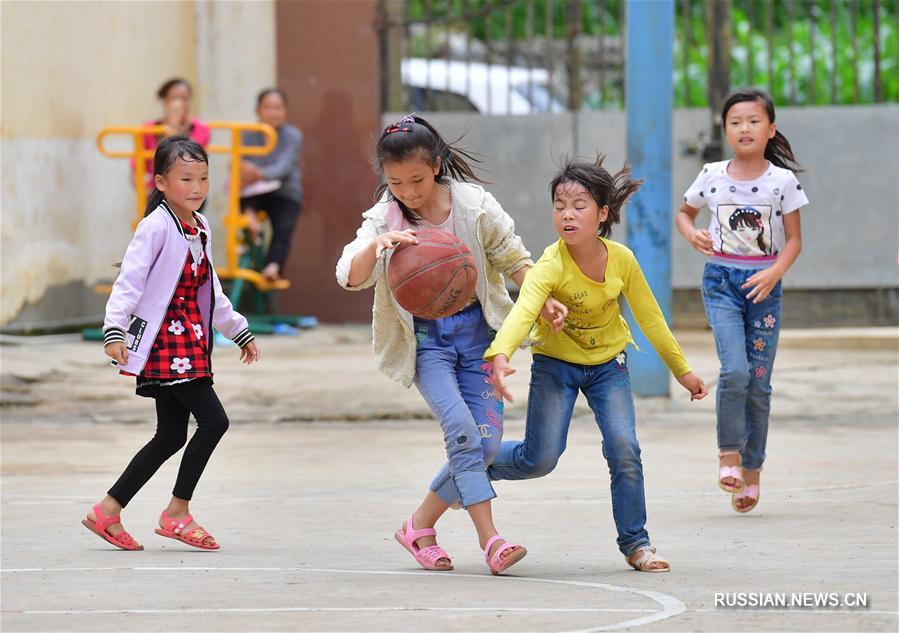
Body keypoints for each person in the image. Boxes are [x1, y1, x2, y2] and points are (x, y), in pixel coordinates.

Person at [335, 115, 566, 575]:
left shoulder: (473, 206)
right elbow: (349, 277)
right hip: (427, 346)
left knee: (484, 444)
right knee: (462, 431)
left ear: (437, 165)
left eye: (417, 180)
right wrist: (377, 245)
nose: (409, 191)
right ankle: (491, 540)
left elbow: (514, 257)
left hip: (479, 338)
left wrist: (541, 301)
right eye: (396, 182)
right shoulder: (384, 217)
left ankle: (419, 525)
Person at [486, 156, 708, 573]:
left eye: (579, 205)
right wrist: (501, 353)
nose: (567, 214)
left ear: (603, 213)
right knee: (540, 459)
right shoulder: (549, 264)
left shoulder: (621, 259)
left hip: (609, 364)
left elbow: (650, 318)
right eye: (559, 205)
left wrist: (682, 371)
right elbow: (523, 311)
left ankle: (636, 543)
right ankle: (474, 464)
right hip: (556, 363)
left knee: (624, 447)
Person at [83, 136, 260, 551]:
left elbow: (208, 287)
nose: (196, 187)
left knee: (170, 436)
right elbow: (129, 281)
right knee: (215, 422)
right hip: (167, 345)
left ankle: (107, 511)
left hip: (192, 341)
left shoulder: (199, 226)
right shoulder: (155, 225)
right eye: (186, 178)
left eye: (203, 178)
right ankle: (176, 513)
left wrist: (237, 328)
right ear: (160, 182)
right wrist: (114, 331)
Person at [675, 88, 808, 513]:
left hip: (764, 288)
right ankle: (728, 454)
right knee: (734, 370)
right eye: (735, 122)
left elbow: (795, 241)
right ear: (726, 129)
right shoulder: (712, 174)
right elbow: (683, 212)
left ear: (770, 129)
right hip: (721, 283)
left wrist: (773, 273)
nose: (744, 128)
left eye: (753, 121)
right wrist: (690, 232)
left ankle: (751, 474)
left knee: (759, 384)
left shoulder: (782, 182)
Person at [239, 88, 303, 281]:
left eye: (278, 108)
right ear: (258, 110)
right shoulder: (247, 134)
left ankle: (273, 266)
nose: (273, 113)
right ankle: (250, 225)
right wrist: (244, 169)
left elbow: (284, 167)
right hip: (255, 190)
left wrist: (257, 172)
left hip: (284, 190)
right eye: (268, 107)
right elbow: (240, 161)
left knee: (284, 225)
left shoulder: (293, 135)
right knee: (243, 195)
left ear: (285, 111)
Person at [137, 78, 211, 192]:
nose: (180, 104)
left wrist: (175, 126)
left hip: (191, 188)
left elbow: (190, 160)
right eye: (175, 98)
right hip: (158, 188)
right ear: (165, 101)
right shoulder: (149, 129)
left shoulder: (200, 128)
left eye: (185, 98)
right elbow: (138, 170)